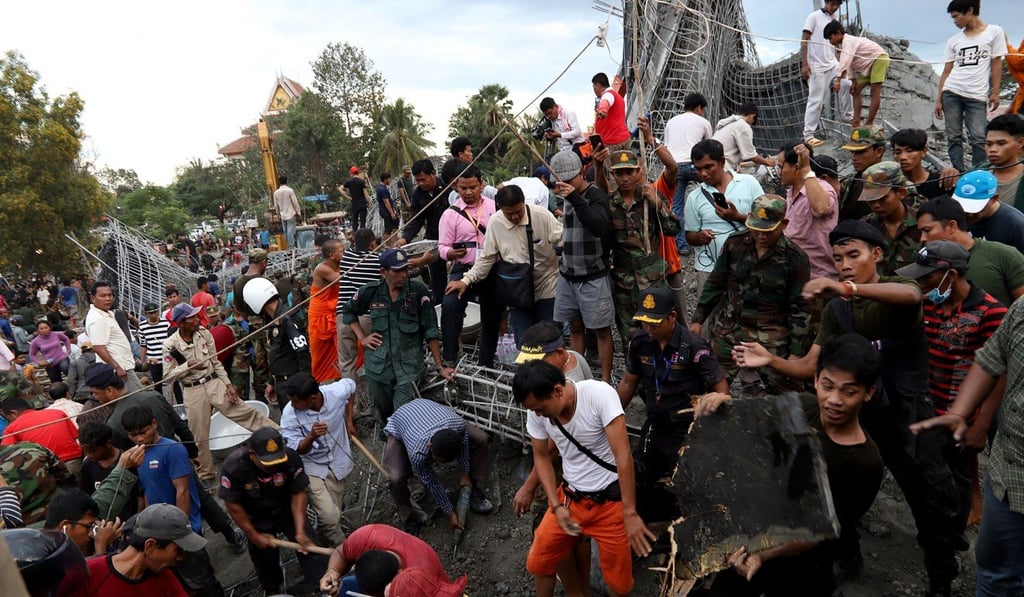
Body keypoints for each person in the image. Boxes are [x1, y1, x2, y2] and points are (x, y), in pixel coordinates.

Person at [734, 220, 969, 595]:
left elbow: (910, 296)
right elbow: (812, 367)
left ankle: (940, 576)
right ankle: (847, 554)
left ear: (876, 255)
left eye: (853, 255)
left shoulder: (896, 291)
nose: (844, 264)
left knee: (928, 498)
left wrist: (848, 288)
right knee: (836, 489)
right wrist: (771, 361)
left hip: (907, 417)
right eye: (838, 258)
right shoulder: (837, 312)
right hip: (859, 415)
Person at [700, 334, 884, 597]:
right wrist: (724, 404)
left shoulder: (865, 463)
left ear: (869, 392)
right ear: (816, 380)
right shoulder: (805, 405)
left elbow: (818, 532)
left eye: (849, 391)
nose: (834, 399)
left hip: (803, 564)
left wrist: (762, 554)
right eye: (828, 386)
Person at [911, 278, 1024, 595]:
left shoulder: (991, 309)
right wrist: (960, 412)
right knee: (995, 570)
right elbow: (991, 360)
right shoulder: (1021, 311)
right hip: (1008, 474)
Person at [514, 360, 654, 597]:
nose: (538, 415)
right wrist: (555, 505)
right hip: (570, 500)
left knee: (619, 584)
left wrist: (629, 512)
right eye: (534, 410)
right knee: (539, 561)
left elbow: (623, 456)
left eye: (540, 408)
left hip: (610, 504)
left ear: (558, 391)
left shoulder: (599, 396)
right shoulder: (538, 411)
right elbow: (541, 456)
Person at [897, 241, 1006, 527]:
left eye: (927, 277)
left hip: (965, 408)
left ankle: (972, 506)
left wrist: (981, 424)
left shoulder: (991, 312)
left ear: (951, 275)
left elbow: (999, 373)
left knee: (963, 460)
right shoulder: (927, 305)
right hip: (929, 400)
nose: (922, 283)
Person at [617, 287, 729, 520]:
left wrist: (717, 401)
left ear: (672, 317)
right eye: (644, 322)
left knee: (684, 483)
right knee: (641, 476)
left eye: (654, 323)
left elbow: (721, 389)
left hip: (686, 430)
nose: (648, 328)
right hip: (655, 423)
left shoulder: (694, 347)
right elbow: (628, 382)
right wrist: (610, 416)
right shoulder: (640, 342)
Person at [691, 195, 811, 393]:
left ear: (784, 224)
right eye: (756, 229)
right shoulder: (735, 244)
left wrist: (796, 353)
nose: (761, 236)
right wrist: (698, 320)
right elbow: (716, 283)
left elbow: (800, 308)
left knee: (789, 396)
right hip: (730, 328)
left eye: (768, 231)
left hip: (771, 333)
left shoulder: (795, 258)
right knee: (706, 388)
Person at [162, 302, 278, 483]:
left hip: (213, 382)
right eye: (192, 318)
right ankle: (206, 474)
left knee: (243, 411)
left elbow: (215, 362)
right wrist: (187, 366)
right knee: (199, 435)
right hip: (193, 390)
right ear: (181, 323)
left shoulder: (204, 333)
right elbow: (167, 377)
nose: (197, 319)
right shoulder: (170, 345)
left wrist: (229, 385)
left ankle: (278, 435)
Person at [121, 405, 223, 596]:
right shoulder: (138, 455)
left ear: (154, 424)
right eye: (133, 435)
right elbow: (148, 490)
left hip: (181, 529)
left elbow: (182, 491)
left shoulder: (172, 450)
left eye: (143, 432)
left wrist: (180, 530)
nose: (139, 438)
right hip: (161, 531)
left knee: (201, 580)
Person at [343, 249, 452, 423]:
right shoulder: (371, 291)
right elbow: (348, 311)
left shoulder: (417, 292)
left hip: (409, 368)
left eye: (405, 269)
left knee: (402, 417)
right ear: (384, 272)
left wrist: (440, 367)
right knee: (382, 416)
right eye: (397, 271)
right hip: (378, 368)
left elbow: (430, 329)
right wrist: (362, 338)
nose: (404, 275)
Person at [445, 185, 563, 344]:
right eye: (509, 214)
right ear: (500, 208)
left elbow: (563, 239)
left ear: (524, 203)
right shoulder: (495, 222)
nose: (515, 217)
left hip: (546, 285)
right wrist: (466, 280)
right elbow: (487, 258)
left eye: (519, 212)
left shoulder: (541, 215)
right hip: (517, 290)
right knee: (524, 342)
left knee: (550, 338)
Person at [219, 427, 330, 594]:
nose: (273, 466)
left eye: (277, 460)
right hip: (256, 516)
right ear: (252, 454)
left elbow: (298, 493)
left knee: (310, 546)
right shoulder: (234, 467)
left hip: (287, 509)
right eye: (267, 463)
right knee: (264, 559)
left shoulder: (291, 458)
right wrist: (254, 535)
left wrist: (300, 531)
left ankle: (322, 587)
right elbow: (233, 506)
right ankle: (273, 591)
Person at [548, 150, 615, 382]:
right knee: (575, 326)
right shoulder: (565, 197)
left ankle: (605, 380)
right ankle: (578, 378)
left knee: (601, 330)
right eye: (560, 182)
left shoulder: (595, 195)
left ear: (581, 173)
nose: (564, 185)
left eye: (569, 180)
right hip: (568, 274)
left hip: (593, 275)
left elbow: (599, 227)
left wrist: (575, 198)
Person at [384, 398, 493, 536]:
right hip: (401, 421)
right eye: (437, 459)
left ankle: (472, 486)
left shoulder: (458, 426)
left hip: (428, 410)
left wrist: (465, 474)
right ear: (430, 446)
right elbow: (432, 482)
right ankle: (409, 515)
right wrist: (449, 512)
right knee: (396, 477)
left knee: (481, 438)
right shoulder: (418, 452)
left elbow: (463, 445)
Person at [437, 165, 501, 367]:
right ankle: (450, 358)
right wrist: (451, 253)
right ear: (456, 187)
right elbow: (442, 246)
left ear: (481, 184)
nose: (468, 192)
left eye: (472, 187)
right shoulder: (450, 214)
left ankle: (486, 363)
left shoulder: (495, 207)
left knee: (492, 315)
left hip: (490, 268)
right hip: (463, 267)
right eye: (463, 188)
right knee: (449, 306)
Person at [281, 372, 355, 545]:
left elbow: (351, 387)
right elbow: (297, 450)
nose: (292, 405)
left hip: (337, 461)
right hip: (312, 466)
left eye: (296, 401)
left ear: (312, 398)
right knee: (330, 517)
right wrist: (311, 437)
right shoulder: (290, 415)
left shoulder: (336, 392)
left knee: (334, 512)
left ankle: (323, 536)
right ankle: (344, 549)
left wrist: (349, 420)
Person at [684, 139, 763, 295]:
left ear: (722, 162)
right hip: (709, 268)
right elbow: (689, 236)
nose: (703, 174)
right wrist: (699, 237)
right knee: (709, 309)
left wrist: (737, 217)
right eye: (698, 169)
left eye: (708, 167)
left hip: (747, 265)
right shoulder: (694, 198)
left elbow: (765, 222)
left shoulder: (748, 183)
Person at [935, 0, 1006, 171]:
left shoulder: (994, 32)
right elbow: (946, 70)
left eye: (956, 16)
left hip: (977, 94)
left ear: (970, 11)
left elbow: (996, 62)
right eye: (952, 18)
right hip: (951, 91)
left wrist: (996, 92)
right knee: (953, 136)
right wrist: (938, 99)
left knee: (979, 137)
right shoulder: (953, 41)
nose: (955, 21)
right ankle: (957, 172)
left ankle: (979, 172)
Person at [917, 195, 1024, 307]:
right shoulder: (926, 261)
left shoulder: (1003, 255)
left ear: (952, 226)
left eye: (927, 230)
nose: (922, 238)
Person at [84, 503, 205, 596]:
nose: (180, 558)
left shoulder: (166, 579)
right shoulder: (88, 573)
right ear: (150, 546)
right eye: (178, 551)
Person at [319, 524, 466, 597]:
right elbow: (341, 552)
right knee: (342, 590)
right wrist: (332, 571)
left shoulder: (423, 577)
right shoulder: (366, 537)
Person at [242, 277, 312, 405]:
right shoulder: (273, 320)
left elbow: (302, 353)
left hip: (293, 385)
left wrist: (305, 386)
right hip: (281, 382)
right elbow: (278, 354)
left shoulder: (287, 319)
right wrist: (272, 381)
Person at [776, 140, 839, 280]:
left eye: (780, 167)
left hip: (820, 278)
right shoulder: (791, 192)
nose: (778, 172)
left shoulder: (821, 188)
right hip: (797, 275)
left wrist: (806, 170)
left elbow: (822, 208)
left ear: (796, 167)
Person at [665, 93, 714, 255]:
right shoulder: (703, 122)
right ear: (698, 108)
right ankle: (713, 234)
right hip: (695, 165)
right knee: (713, 194)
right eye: (702, 109)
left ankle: (682, 246)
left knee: (676, 206)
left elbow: (667, 147)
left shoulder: (671, 122)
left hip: (673, 166)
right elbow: (709, 148)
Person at [857, 161, 924, 275]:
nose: (876, 205)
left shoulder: (923, 223)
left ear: (901, 193)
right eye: (870, 200)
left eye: (883, 198)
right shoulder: (865, 228)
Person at [398, 159, 449, 304]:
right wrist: (405, 238)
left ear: (432, 174)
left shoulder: (447, 187)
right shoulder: (418, 195)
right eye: (417, 180)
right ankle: (439, 305)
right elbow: (416, 219)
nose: (420, 183)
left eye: (423, 179)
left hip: (454, 237)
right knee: (437, 277)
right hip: (434, 237)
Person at [801, 0, 852, 146]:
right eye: (832, 4)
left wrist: (838, 60)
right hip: (816, 65)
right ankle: (808, 135)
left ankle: (848, 117)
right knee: (816, 99)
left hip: (832, 63)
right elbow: (804, 41)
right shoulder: (813, 17)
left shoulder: (833, 19)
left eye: (837, 5)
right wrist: (805, 63)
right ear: (826, 2)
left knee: (846, 83)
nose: (835, 7)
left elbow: (835, 45)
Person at [335, 228, 380, 389]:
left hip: (343, 316)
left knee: (346, 363)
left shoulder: (346, 257)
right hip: (366, 316)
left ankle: (352, 402)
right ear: (373, 243)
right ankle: (375, 397)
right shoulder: (377, 260)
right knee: (374, 356)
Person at [826, 21, 890, 127]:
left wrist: (838, 80)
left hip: (879, 59)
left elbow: (845, 61)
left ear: (838, 33)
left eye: (830, 38)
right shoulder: (842, 46)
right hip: (868, 65)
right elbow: (850, 64)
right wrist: (853, 80)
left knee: (874, 92)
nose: (830, 42)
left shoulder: (848, 41)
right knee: (855, 91)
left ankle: (869, 123)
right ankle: (856, 121)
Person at [78, 421, 143, 523]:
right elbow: (86, 496)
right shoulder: (88, 466)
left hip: (128, 521)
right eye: (85, 451)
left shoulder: (130, 462)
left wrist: (137, 521)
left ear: (108, 443)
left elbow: (140, 497)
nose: (89, 455)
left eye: (94, 451)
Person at [1, 397, 82, 477]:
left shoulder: (11, 428)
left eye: (8, 419)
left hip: (46, 468)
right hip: (75, 461)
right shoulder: (57, 413)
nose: (9, 422)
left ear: (13, 413)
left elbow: (5, 454)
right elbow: (75, 436)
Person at [84, 282, 141, 392]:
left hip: (122, 365)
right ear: (93, 298)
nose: (108, 299)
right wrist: (117, 367)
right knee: (137, 397)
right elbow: (98, 347)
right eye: (103, 296)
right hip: (119, 368)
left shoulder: (106, 313)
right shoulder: (97, 319)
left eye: (110, 295)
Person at [951, 169, 1024, 255]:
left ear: (994, 199)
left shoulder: (1017, 226)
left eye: (974, 209)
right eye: (963, 207)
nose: (968, 214)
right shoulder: (954, 214)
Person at [43, 488, 121, 556]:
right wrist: (100, 546)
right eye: (88, 526)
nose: (91, 534)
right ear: (65, 526)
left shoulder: (45, 544)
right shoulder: (43, 556)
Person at [891, 128, 960, 200]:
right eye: (898, 152)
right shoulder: (891, 186)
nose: (902, 157)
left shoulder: (942, 183)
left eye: (909, 151)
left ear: (924, 151)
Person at [838, 126, 887, 222]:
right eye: (852, 152)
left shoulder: (892, 183)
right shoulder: (850, 181)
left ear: (879, 151)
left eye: (860, 152)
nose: (854, 157)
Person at [309, 239, 342, 382]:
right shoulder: (322, 269)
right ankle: (318, 381)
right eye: (341, 252)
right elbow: (344, 279)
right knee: (320, 353)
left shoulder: (339, 265)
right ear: (332, 255)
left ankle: (339, 377)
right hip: (321, 314)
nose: (344, 254)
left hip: (334, 309)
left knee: (340, 347)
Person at [712, 102, 776, 172]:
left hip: (713, 164)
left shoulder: (728, 123)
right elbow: (751, 155)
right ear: (752, 116)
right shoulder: (743, 126)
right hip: (722, 168)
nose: (750, 125)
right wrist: (767, 162)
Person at [977, 113, 1024, 209]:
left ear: (1020, 143)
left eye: (1001, 143)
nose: (993, 149)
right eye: (989, 144)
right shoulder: (979, 171)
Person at [137, 302, 171, 396]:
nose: (153, 315)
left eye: (155, 312)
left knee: (174, 383)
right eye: (151, 313)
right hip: (153, 360)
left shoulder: (166, 324)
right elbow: (143, 345)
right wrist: (143, 361)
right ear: (146, 314)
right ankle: (160, 402)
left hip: (168, 358)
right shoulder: (142, 327)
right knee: (157, 384)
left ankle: (180, 402)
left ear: (158, 312)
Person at [274, 175, 302, 249]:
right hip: (290, 214)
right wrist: (299, 212)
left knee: (285, 231)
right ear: (287, 182)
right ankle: (291, 247)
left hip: (282, 215)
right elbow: (295, 202)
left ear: (279, 182)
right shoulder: (290, 191)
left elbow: (276, 205)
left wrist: (278, 213)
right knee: (290, 231)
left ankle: (289, 246)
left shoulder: (276, 193)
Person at [342, 167, 369, 231]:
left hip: (354, 203)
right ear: (358, 173)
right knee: (363, 221)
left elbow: (340, 189)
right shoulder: (362, 181)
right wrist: (369, 202)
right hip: (362, 203)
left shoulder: (349, 182)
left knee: (355, 220)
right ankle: (362, 233)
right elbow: (365, 193)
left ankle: (355, 234)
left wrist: (348, 197)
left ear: (351, 173)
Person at [376, 173, 399, 237]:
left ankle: (395, 239)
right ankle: (388, 242)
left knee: (394, 225)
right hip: (386, 211)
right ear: (385, 179)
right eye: (389, 179)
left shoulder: (379, 187)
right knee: (388, 229)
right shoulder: (383, 190)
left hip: (383, 210)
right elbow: (386, 202)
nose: (390, 180)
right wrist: (392, 213)